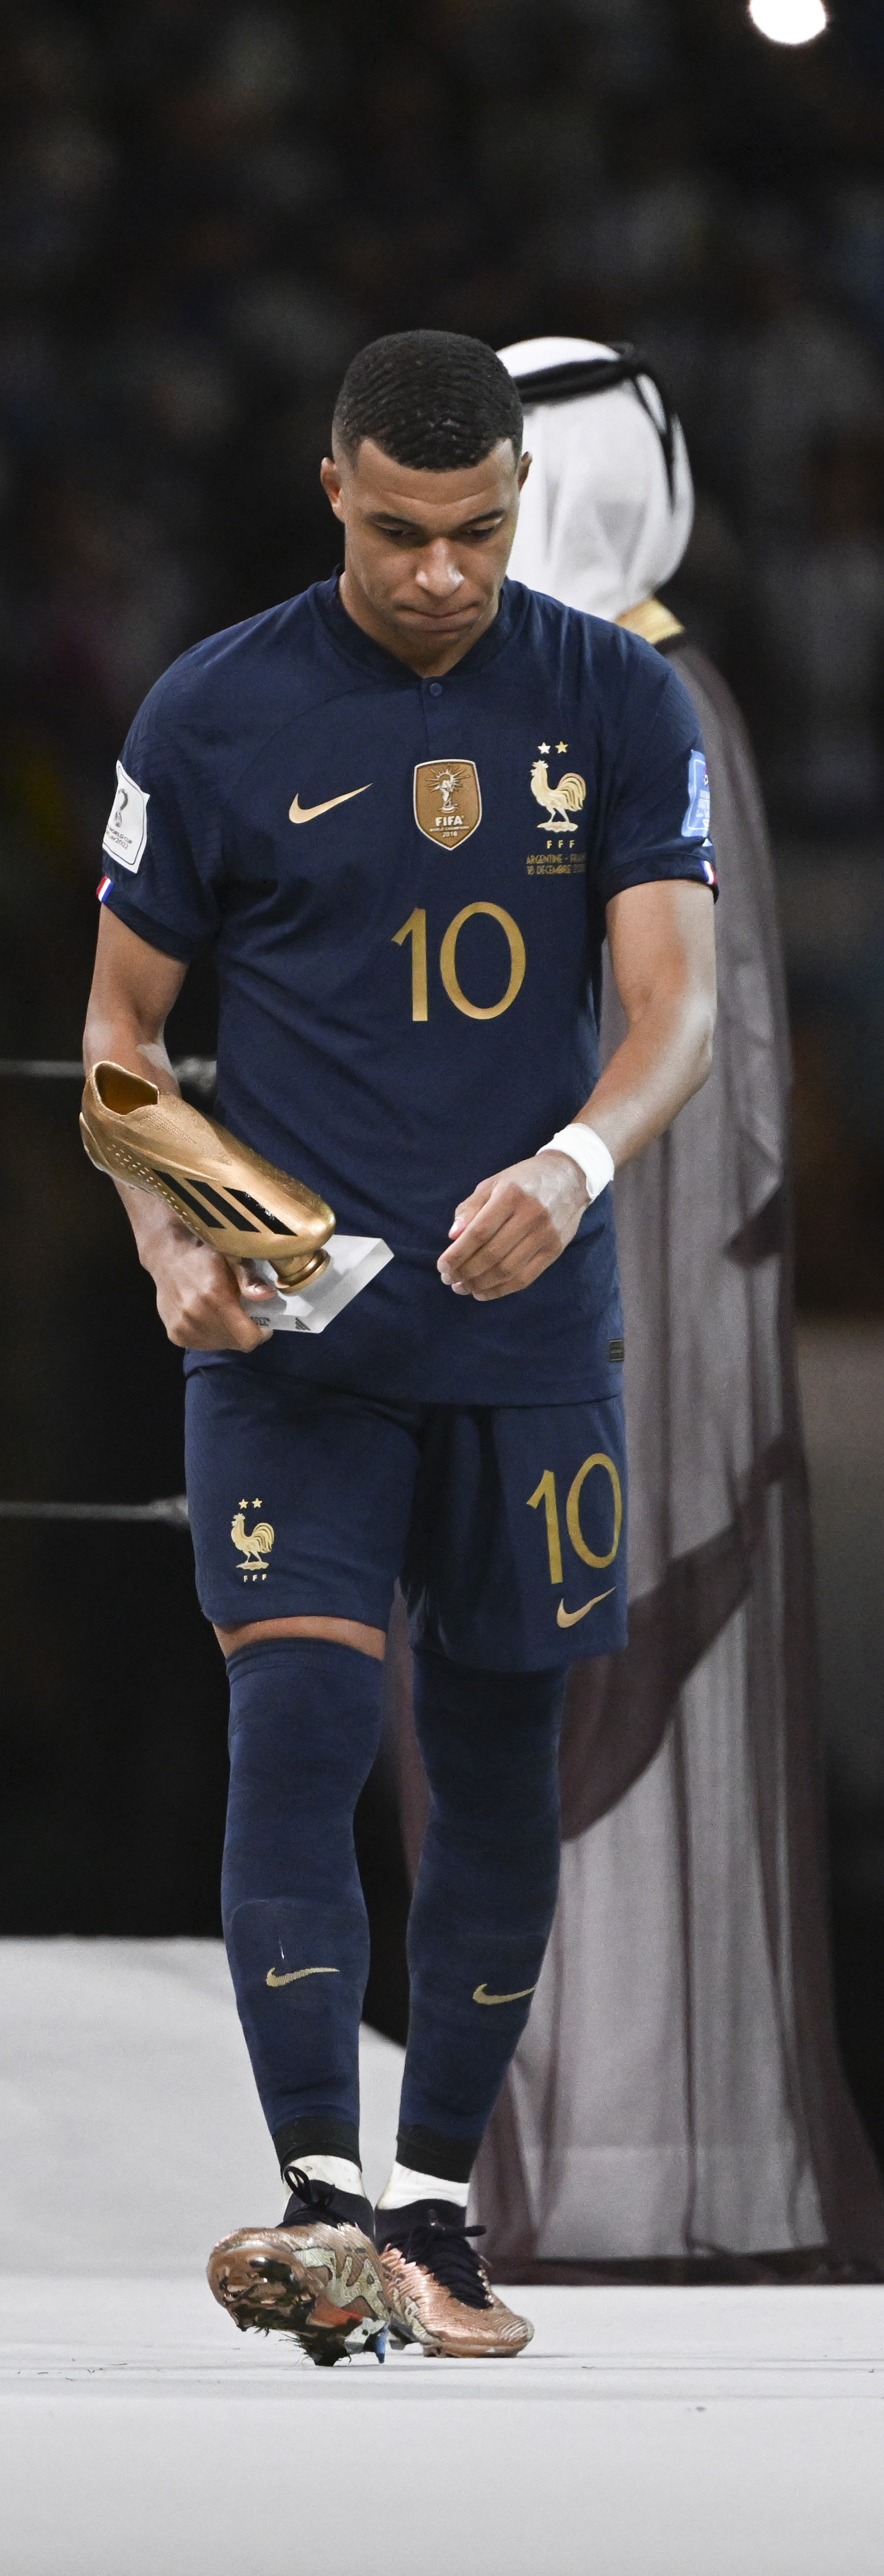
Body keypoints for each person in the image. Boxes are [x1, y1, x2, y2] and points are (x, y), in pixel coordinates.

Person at [81, 329, 717, 2360]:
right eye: (396, 532)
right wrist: (170, 1231)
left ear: (521, 501)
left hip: (531, 1325)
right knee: (297, 1726)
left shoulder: (615, 695)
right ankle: (316, 2200)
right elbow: (117, 1038)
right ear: (330, 493)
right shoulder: (212, 705)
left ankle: (437, 2210)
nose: (440, 572)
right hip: (294, 1331)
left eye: (478, 531)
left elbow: (674, 1009)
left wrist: (571, 1166)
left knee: (499, 1760)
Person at [464, 338, 884, 2271]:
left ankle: (636, 2158)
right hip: (542, 1257)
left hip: (607, 1271)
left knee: (603, 1680)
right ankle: (560, 2143)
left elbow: (683, 1038)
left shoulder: (645, 692)